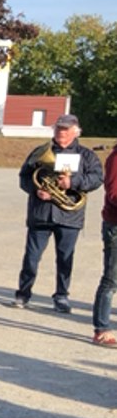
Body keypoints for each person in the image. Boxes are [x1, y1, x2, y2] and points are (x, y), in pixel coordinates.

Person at [11, 113, 104, 313]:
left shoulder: (87, 155)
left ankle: (61, 296)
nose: (61, 132)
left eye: (65, 129)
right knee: (31, 258)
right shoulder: (40, 152)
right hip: (41, 214)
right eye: (58, 128)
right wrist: (36, 190)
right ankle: (23, 293)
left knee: (65, 259)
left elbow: (97, 178)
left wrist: (73, 182)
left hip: (69, 216)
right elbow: (24, 177)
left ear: (75, 132)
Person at [92, 147, 117, 346]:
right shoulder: (115, 158)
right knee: (111, 280)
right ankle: (101, 329)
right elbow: (114, 194)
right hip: (115, 226)